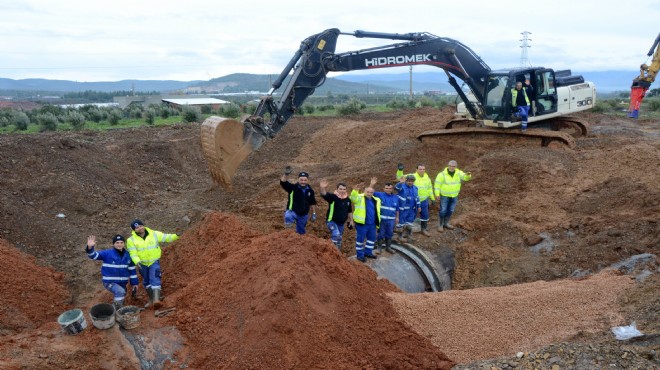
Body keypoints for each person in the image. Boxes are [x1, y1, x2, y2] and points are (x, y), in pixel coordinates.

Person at [126, 219, 179, 310]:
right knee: (146, 282)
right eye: (137, 227)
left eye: (141, 226)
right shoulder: (131, 240)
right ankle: (151, 299)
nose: (140, 228)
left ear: (143, 226)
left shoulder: (153, 234)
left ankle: (156, 300)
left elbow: (166, 237)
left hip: (154, 262)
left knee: (155, 278)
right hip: (142, 264)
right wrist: (137, 261)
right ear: (134, 230)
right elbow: (133, 253)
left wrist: (176, 236)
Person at [85, 235, 139, 309]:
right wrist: (90, 248)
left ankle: (114, 310)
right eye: (117, 243)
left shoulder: (128, 255)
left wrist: (135, 283)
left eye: (121, 242)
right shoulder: (107, 253)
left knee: (122, 294)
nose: (119, 244)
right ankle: (117, 312)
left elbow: (132, 270)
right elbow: (93, 256)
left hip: (122, 282)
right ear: (113, 244)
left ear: (124, 244)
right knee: (120, 292)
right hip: (109, 282)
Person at [433, 160, 472, 231]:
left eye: (453, 166)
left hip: (454, 195)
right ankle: (440, 225)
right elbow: (437, 185)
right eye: (450, 166)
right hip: (444, 195)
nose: (451, 167)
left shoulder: (458, 173)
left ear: (456, 167)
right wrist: (437, 194)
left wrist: (468, 175)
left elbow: (465, 178)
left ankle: (446, 223)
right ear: (448, 165)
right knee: (443, 210)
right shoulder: (442, 174)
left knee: (451, 210)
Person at [396, 163, 433, 236]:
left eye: (423, 169)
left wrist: (432, 198)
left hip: (423, 200)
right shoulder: (411, 176)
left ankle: (423, 229)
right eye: (420, 169)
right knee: (411, 216)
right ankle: (406, 232)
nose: (422, 171)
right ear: (416, 169)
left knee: (425, 215)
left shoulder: (427, 178)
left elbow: (429, 188)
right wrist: (400, 170)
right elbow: (400, 178)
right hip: (412, 202)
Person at [350, 179, 381, 262]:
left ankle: (368, 252)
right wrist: (355, 191)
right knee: (360, 240)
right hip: (362, 224)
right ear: (364, 192)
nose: (369, 194)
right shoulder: (359, 197)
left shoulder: (376, 200)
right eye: (368, 192)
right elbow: (353, 199)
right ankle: (360, 255)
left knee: (371, 239)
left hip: (372, 224)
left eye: (371, 192)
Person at [280, 168, 317, 235]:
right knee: (288, 216)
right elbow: (283, 183)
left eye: (305, 180)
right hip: (292, 211)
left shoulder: (310, 191)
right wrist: (286, 174)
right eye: (301, 180)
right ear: (298, 180)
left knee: (301, 232)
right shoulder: (293, 188)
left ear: (308, 180)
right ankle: (289, 233)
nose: (303, 182)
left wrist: (314, 213)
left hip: (303, 214)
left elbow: (312, 202)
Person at [319, 179, 354, 250]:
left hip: (341, 223)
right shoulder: (333, 197)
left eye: (344, 189)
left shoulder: (347, 200)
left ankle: (337, 254)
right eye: (340, 189)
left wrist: (351, 221)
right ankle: (331, 250)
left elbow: (349, 211)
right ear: (337, 189)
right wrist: (322, 187)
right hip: (331, 221)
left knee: (339, 238)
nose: (342, 190)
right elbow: (324, 194)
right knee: (336, 235)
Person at [372, 178, 399, 254]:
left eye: (390, 188)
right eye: (386, 188)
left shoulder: (396, 197)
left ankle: (388, 247)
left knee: (390, 233)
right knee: (381, 233)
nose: (388, 190)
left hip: (391, 220)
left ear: (392, 189)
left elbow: (397, 208)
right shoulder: (379, 195)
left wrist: (397, 217)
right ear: (383, 189)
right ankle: (379, 248)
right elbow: (370, 191)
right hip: (382, 219)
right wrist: (372, 184)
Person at [395, 174, 420, 243]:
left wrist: (419, 206)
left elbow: (417, 198)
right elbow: (396, 188)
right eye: (408, 181)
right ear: (406, 181)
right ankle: (399, 236)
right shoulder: (402, 187)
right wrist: (400, 183)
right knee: (401, 223)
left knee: (409, 222)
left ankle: (408, 234)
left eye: (412, 181)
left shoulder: (415, 188)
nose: (410, 182)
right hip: (403, 209)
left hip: (412, 209)